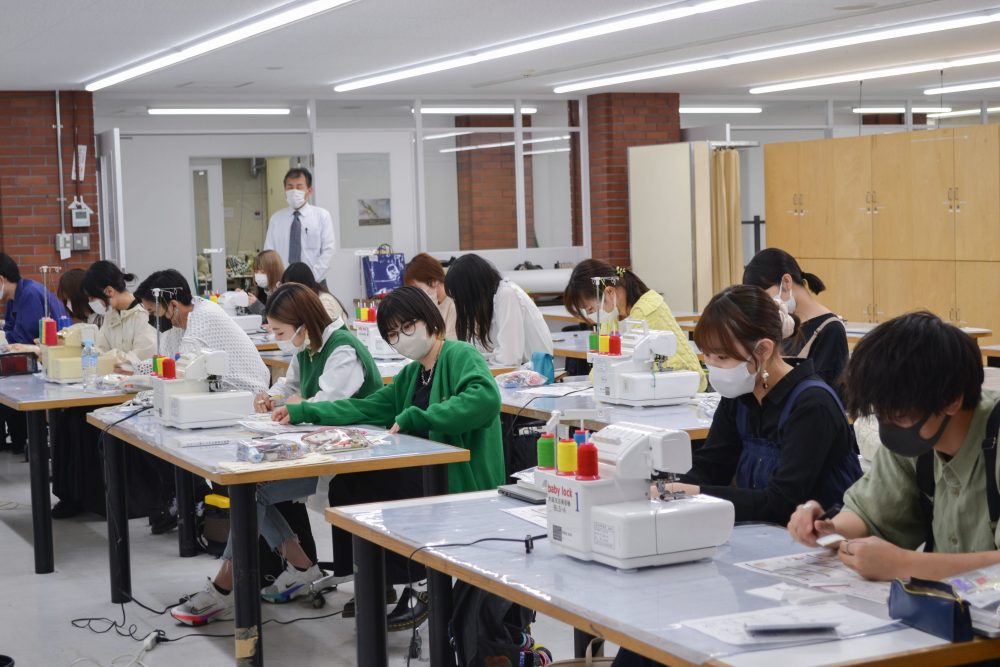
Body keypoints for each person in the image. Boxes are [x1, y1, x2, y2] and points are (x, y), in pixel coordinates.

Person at [273, 286, 505, 630]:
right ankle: (376, 579)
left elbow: (485, 399)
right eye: (393, 334)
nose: (402, 338)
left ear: (429, 320)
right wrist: (304, 411)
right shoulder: (411, 375)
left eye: (407, 327)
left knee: (394, 487)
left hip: (460, 479)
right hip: (424, 471)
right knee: (348, 486)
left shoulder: (460, 355)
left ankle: (422, 582)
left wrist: (419, 417)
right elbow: (365, 407)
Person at [170, 283, 382, 626]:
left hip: (353, 456)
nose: (278, 338)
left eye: (281, 332)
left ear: (302, 324)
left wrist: (292, 407)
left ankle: (223, 588)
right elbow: (290, 387)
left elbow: (327, 404)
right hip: (321, 448)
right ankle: (301, 567)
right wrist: (271, 397)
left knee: (251, 490)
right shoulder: (310, 347)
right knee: (251, 489)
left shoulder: (343, 349)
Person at [788, 311, 1000, 581]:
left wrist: (907, 565)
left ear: (951, 400)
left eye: (899, 415)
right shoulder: (916, 437)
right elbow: (873, 513)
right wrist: (828, 529)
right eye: (880, 414)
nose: (888, 426)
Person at [664, 285, 861, 523]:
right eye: (706, 355)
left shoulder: (812, 405)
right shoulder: (739, 395)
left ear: (763, 349)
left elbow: (783, 502)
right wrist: (668, 490)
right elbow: (712, 465)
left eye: (722, 357)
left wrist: (695, 493)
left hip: (815, 535)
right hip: (764, 530)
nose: (713, 366)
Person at [134, 270, 270, 534]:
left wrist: (142, 375)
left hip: (247, 401)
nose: (153, 318)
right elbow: (166, 363)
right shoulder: (179, 323)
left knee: (172, 442)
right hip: (214, 399)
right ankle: (188, 505)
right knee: (152, 439)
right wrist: (133, 369)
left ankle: (199, 510)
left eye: (153, 312)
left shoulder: (203, 318)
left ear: (173, 305)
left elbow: (183, 372)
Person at [48, 262, 159, 519]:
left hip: (136, 393)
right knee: (68, 420)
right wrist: (109, 358)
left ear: (108, 291)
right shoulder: (111, 316)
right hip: (113, 387)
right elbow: (99, 350)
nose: (93, 304)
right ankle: (73, 495)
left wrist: (112, 359)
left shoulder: (143, 316)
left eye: (94, 298)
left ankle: (101, 499)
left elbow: (139, 360)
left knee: (84, 424)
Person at [563, 259, 706, 392]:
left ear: (609, 292)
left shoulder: (647, 310)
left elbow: (641, 369)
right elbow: (599, 370)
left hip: (683, 390)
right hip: (644, 391)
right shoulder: (610, 317)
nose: (591, 316)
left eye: (590, 309)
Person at [743, 248, 847, 390]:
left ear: (786, 282)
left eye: (764, 297)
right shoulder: (780, 325)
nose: (764, 306)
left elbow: (823, 392)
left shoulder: (830, 329)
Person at [0, 254, 66, 455]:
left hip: (48, 362)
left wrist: (9, 340)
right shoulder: (15, 297)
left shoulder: (29, 294)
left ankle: (24, 440)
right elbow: (11, 331)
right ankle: (18, 440)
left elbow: (23, 340)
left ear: (1, 279)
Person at [444, 254, 552, 366]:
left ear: (471, 290)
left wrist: (481, 362)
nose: (460, 303)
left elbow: (510, 358)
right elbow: (476, 350)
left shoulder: (506, 295)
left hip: (536, 371)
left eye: (459, 297)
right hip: (516, 370)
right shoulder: (486, 303)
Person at [263, 167, 335, 283]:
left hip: (315, 281)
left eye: (299, 187)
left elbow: (328, 251)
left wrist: (311, 278)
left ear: (309, 191)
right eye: (290, 187)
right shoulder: (276, 219)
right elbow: (269, 254)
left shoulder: (322, 216)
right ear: (285, 190)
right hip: (283, 282)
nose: (294, 191)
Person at [404, 252, 456, 339]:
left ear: (433, 281)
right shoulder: (436, 302)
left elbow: (452, 343)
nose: (416, 294)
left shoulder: (454, 305)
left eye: (417, 288)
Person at [279, 261, 347, 323]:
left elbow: (322, 330)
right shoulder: (308, 301)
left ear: (302, 286)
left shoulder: (325, 301)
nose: (289, 295)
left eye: (291, 289)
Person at [245, 249, 283, 316]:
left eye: (263, 272)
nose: (258, 275)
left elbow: (274, 319)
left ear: (274, 271)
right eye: (256, 271)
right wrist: (243, 298)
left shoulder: (283, 293)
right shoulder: (265, 291)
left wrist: (256, 305)